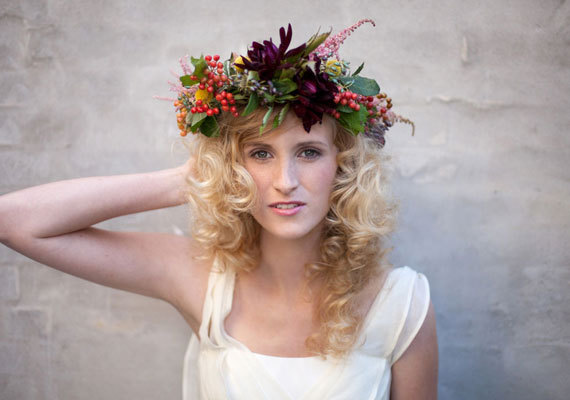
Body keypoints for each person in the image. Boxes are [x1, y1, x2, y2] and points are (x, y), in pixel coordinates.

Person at [0, 20, 438, 399]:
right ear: (234, 166)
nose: (285, 180)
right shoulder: (199, 276)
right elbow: (14, 221)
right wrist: (190, 180)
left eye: (308, 152)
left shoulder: (400, 303)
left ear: (343, 167)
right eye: (260, 154)